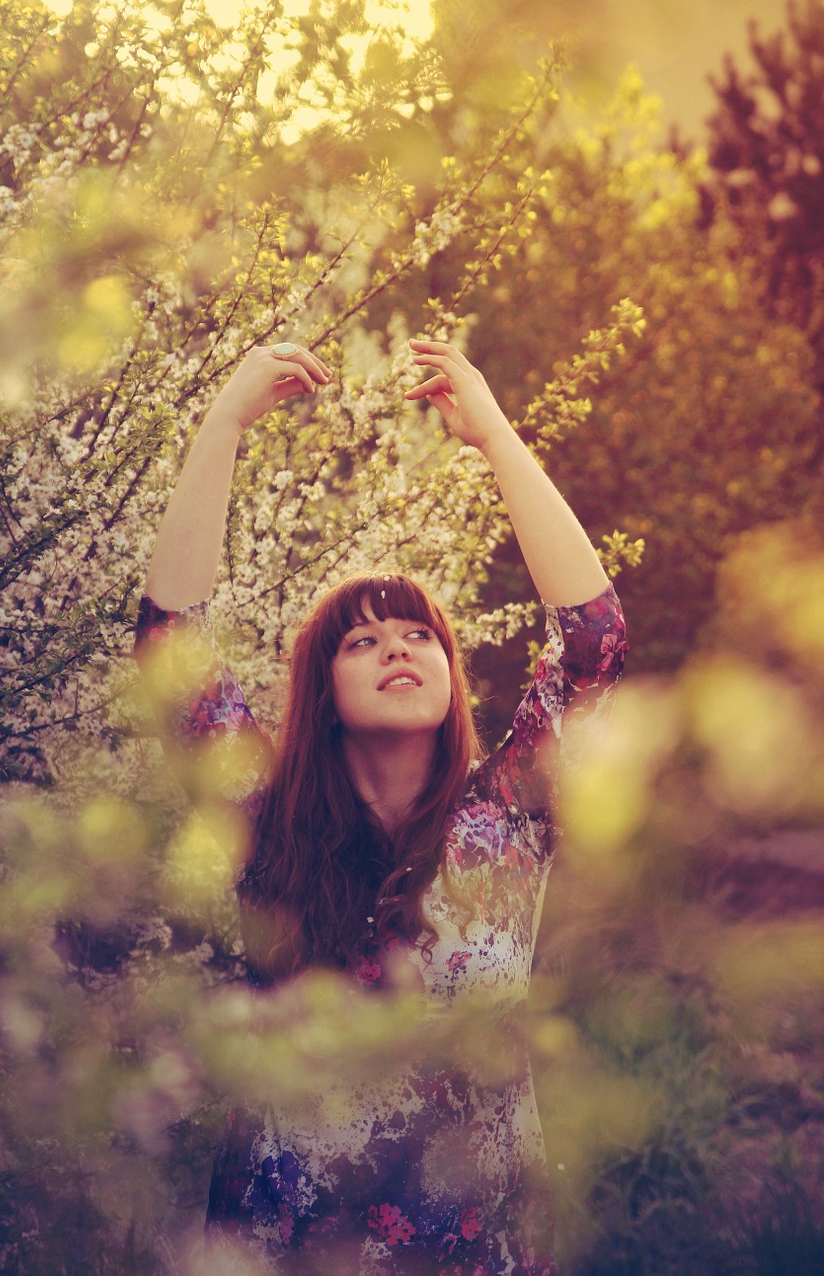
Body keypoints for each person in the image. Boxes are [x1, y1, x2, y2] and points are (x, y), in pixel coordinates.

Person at [135, 338, 627, 1275]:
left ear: (449, 673)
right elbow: (171, 648)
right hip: (286, 1241)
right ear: (322, 690)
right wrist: (225, 422)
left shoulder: (509, 817)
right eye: (361, 642)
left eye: (417, 635)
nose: (397, 649)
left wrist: (492, 436)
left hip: (477, 1247)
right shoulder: (264, 822)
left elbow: (594, 640)